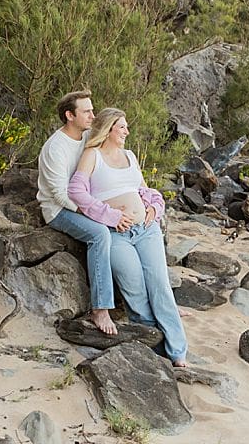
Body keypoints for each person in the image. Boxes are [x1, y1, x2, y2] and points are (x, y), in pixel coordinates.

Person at [68, 108, 189, 366]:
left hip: (146, 229)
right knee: (134, 289)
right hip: (117, 233)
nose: (127, 131)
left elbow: (144, 190)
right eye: (122, 126)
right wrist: (110, 215)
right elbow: (76, 191)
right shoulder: (92, 155)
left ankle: (178, 351)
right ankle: (155, 347)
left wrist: (155, 207)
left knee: (159, 284)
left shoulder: (130, 156)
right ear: (109, 128)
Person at [36, 91, 117, 335]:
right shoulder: (55, 148)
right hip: (59, 210)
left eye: (92, 110)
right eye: (87, 111)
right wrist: (95, 212)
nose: (93, 116)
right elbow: (60, 195)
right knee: (100, 234)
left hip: (88, 200)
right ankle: (100, 309)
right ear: (70, 116)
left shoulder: (88, 137)